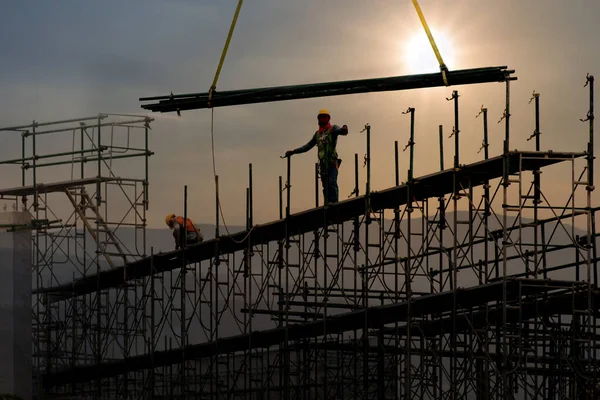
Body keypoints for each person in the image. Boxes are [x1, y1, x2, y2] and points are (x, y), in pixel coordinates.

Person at [285, 108, 348, 204]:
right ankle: (327, 203)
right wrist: (294, 151)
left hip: (332, 162)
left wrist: (344, 129)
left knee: (332, 182)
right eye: (321, 117)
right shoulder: (317, 134)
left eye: (325, 117)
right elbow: (307, 146)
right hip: (323, 164)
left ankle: (335, 204)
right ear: (318, 119)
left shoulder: (332, 129)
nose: (323, 119)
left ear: (328, 119)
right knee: (325, 186)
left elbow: (341, 131)